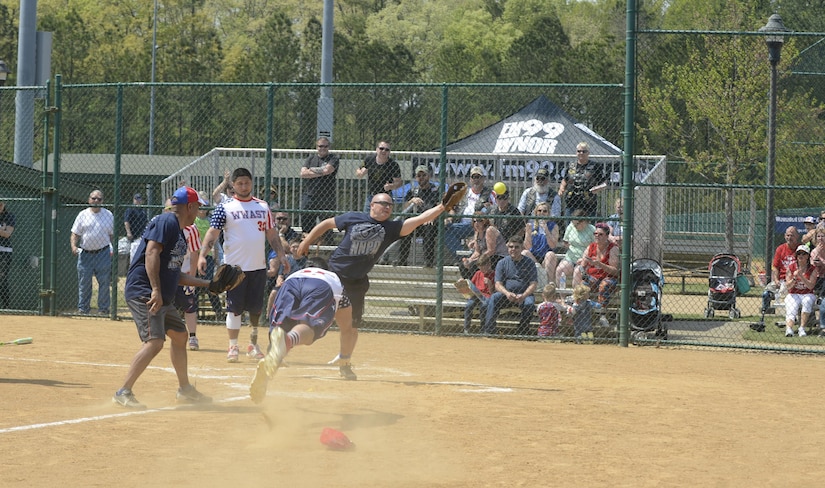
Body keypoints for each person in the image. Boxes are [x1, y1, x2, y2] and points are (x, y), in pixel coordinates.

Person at [297, 192, 454, 380]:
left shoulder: (392, 228)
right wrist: (306, 242)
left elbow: (420, 219)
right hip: (334, 276)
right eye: (383, 203)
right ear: (372, 205)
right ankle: (284, 343)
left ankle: (345, 363)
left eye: (390, 205)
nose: (387, 207)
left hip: (357, 283)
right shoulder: (354, 217)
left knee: (351, 328)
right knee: (313, 318)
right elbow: (326, 224)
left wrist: (441, 207)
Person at [113, 186, 212, 409]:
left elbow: (176, 274)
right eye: (197, 208)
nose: (198, 213)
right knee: (155, 341)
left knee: (179, 335)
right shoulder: (167, 221)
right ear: (189, 207)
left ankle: (185, 390)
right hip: (145, 292)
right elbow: (151, 252)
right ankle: (123, 391)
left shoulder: (179, 233)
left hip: (160, 295)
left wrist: (209, 284)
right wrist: (156, 290)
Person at [198, 167, 288, 363]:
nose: (244, 186)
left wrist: (282, 256)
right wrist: (203, 255)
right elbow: (212, 233)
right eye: (239, 183)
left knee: (255, 310)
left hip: (257, 266)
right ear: (233, 185)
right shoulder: (225, 207)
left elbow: (272, 235)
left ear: (252, 183)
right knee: (234, 308)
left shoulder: (263, 207)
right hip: (234, 269)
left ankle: (253, 345)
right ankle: (233, 346)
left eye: (247, 182)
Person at [249, 258, 344, 403]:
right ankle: (289, 340)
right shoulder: (331, 276)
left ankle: (266, 376)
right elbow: (347, 322)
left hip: (290, 284)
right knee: (310, 327)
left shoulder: (297, 272)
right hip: (320, 286)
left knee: (279, 332)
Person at [70, 190, 114, 315]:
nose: (96, 201)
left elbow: (112, 235)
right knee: (84, 283)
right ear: (89, 199)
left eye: (99, 199)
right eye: (93, 198)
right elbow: (75, 233)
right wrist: (73, 246)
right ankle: (83, 309)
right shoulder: (82, 214)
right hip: (85, 254)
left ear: (102, 201)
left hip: (103, 253)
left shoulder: (108, 215)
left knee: (104, 282)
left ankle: (103, 309)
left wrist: (112, 248)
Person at [484, 236, 538, 336]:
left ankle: (522, 329)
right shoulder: (502, 263)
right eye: (511, 247)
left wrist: (524, 295)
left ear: (522, 248)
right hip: (506, 295)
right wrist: (507, 293)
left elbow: (533, 284)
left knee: (529, 303)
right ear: (507, 248)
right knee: (494, 298)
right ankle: (489, 330)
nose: (513, 249)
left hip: (524, 295)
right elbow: (498, 284)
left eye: (516, 247)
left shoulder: (529, 263)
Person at [445, 166, 495, 263]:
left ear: (483, 179)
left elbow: (496, 210)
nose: (476, 180)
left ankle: (467, 259)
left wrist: (488, 208)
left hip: (480, 226)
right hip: (462, 225)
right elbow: (453, 207)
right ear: (470, 179)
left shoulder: (490, 193)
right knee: (445, 230)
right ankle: (463, 258)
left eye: (478, 177)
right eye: (474, 177)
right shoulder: (464, 192)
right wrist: (450, 218)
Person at [395, 165, 441, 267]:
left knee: (429, 228)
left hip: (431, 221)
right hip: (416, 221)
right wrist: (411, 200)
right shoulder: (413, 191)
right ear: (416, 177)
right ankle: (402, 260)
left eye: (424, 175)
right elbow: (404, 208)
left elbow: (440, 207)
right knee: (405, 228)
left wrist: (432, 217)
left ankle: (428, 261)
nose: (421, 178)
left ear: (428, 176)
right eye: (419, 175)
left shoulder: (435, 190)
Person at [300, 136, 339, 242]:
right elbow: (303, 173)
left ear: (329, 147)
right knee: (307, 223)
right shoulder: (310, 158)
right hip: (310, 196)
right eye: (320, 146)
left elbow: (328, 170)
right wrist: (321, 171)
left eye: (325, 146)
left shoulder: (333, 158)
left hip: (327, 198)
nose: (323, 148)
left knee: (327, 226)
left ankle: (328, 248)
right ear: (316, 147)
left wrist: (311, 171)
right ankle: (307, 247)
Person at [573, 222, 620, 306]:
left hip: (608, 277)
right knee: (583, 284)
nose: (597, 236)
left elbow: (615, 271)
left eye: (600, 234)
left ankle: (602, 311)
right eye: (595, 233)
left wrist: (600, 264)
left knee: (604, 284)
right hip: (593, 277)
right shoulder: (591, 247)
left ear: (607, 236)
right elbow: (582, 266)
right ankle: (581, 308)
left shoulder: (613, 248)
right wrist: (582, 270)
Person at [194, 191, 223, 320]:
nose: (202, 210)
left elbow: (215, 241)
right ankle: (193, 312)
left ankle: (218, 312)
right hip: (194, 255)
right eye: (200, 207)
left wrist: (216, 256)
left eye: (205, 207)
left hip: (207, 257)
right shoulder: (193, 219)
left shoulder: (211, 220)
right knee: (193, 284)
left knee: (208, 284)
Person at [558, 142, 607, 216]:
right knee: (570, 226)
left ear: (588, 153)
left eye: (584, 151)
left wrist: (597, 188)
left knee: (589, 226)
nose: (581, 153)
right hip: (571, 201)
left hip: (588, 203)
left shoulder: (595, 166)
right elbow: (565, 179)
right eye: (579, 151)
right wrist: (561, 189)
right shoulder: (571, 165)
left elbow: (605, 182)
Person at [762, 226, 801, 316]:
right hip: (781, 280)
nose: (789, 238)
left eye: (792, 235)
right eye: (787, 235)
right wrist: (776, 280)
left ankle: (794, 313)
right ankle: (766, 313)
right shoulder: (780, 249)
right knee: (766, 293)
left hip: (795, 281)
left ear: (797, 236)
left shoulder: (800, 249)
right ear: (784, 236)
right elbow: (775, 267)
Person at [355, 140, 402, 212]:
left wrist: (391, 186)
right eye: (381, 148)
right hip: (371, 195)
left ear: (389, 152)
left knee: (383, 218)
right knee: (367, 217)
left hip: (385, 195)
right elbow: (358, 171)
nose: (384, 151)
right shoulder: (369, 159)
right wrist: (361, 173)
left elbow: (399, 182)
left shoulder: (393, 165)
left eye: (387, 149)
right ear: (376, 149)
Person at [458, 213, 507, 280]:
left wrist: (479, 259)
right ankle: (469, 284)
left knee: (475, 265)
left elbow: (491, 250)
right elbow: (477, 252)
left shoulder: (489, 230)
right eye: (474, 221)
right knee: (463, 265)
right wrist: (469, 259)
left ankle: (477, 285)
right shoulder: (477, 232)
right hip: (485, 256)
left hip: (497, 256)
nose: (476, 223)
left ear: (484, 221)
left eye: (479, 220)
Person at [783, 245, 819, 337]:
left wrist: (801, 276)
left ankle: (801, 329)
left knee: (807, 301)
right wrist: (795, 278)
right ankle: (789, 329)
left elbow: (810, 286)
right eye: (799, 254)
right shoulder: (791, 267)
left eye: (803, 254)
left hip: (807, 293)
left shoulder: (812, 269)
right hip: (793, 293)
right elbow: (788, 286)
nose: (800, 256)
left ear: (807, 256)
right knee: (792, 306)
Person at [555, 211, 596, 288]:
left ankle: (575, 297)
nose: (574, 226)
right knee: (559, 270)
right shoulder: (571, 226)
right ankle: (562, 297)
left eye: (576, 224)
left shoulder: (592, 229)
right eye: (573, 224)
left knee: (578, 272)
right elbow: (565, 241)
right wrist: (566, 245)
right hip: (570, 257)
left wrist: (584, 259)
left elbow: (595, 248)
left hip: (584, 259)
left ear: (583, 222)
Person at [523, 202, 559, 285]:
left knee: (550, 254)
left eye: (545, 211)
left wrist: (546, 230)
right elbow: (527, 247)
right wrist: (528, 233)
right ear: (536, 213)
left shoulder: (553, 226)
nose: (542, 213)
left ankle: (549, 284)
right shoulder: (531, 225)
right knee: (524, 253)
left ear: (548, 213)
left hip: (546, 257)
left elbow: (553, 245)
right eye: (539, 211)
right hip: (534, 257)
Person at [461, 254, 495, 334]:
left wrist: (490, 284)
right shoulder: (478, 273)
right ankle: (466, 328)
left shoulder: (494, 274)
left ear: (489, 265)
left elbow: (493, 293)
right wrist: (463, 284)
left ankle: (483, 328)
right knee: (469, 305)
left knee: (484, 306)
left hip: (487, 296)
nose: (482, 269)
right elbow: (471, 285)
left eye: (483, 267)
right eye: (480, 267)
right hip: (476, 295)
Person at [124, 193, 149, 263]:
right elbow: (126, 221)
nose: (138, 201)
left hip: (142, 234)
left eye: (139, 199)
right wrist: (128, 232)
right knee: (132, 253)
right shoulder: (130, 209)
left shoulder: (143, 209)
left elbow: (146, 222)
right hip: (133, 235)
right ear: (133, 200)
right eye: (136, 199)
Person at [0, 199, 15, 308]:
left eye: (0, 204)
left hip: (5, 251)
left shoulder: (9, 216)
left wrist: (4, 232)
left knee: (2, 278)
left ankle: (5, 305)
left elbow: (7, 234)